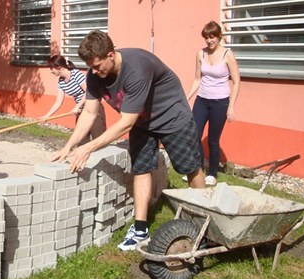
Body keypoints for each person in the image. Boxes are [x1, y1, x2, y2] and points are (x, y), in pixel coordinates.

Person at [51, 30, 206, 251]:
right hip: (143, 122)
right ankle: (140, 230)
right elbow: (89, 113)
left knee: (190, 168)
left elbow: (126, 122)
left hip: (172, 116)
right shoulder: (94, 76)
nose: (94, 72)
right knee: (141, 168)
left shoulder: (136, 69)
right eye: (90, 67)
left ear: (111, 55)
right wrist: (70, 145)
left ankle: (204, 222)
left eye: (97, 66)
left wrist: (89, 148)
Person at [185, 21, 240, 186]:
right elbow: (197, 79)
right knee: (194, 136)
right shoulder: (200, 54)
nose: (209, 41)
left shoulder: (227, 54)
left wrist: (231, 106)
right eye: (206, 37)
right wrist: (186, 98)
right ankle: (198, 171)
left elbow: (236, 81)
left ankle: (213, 173)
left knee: (213, 141)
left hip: (220, 102)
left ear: (219, 37)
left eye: (212, 37)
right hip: (202, 100)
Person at [41, 54, 106, 144]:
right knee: (81, 140)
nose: (51, 71)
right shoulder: (61, 81)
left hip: (95, 108)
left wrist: (77, 105)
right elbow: (58, 102)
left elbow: (89, 91)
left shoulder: (76, 74)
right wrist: (47, 116)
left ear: (59, 67)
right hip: (81, 111)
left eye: (51, 68)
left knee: (98, 140)